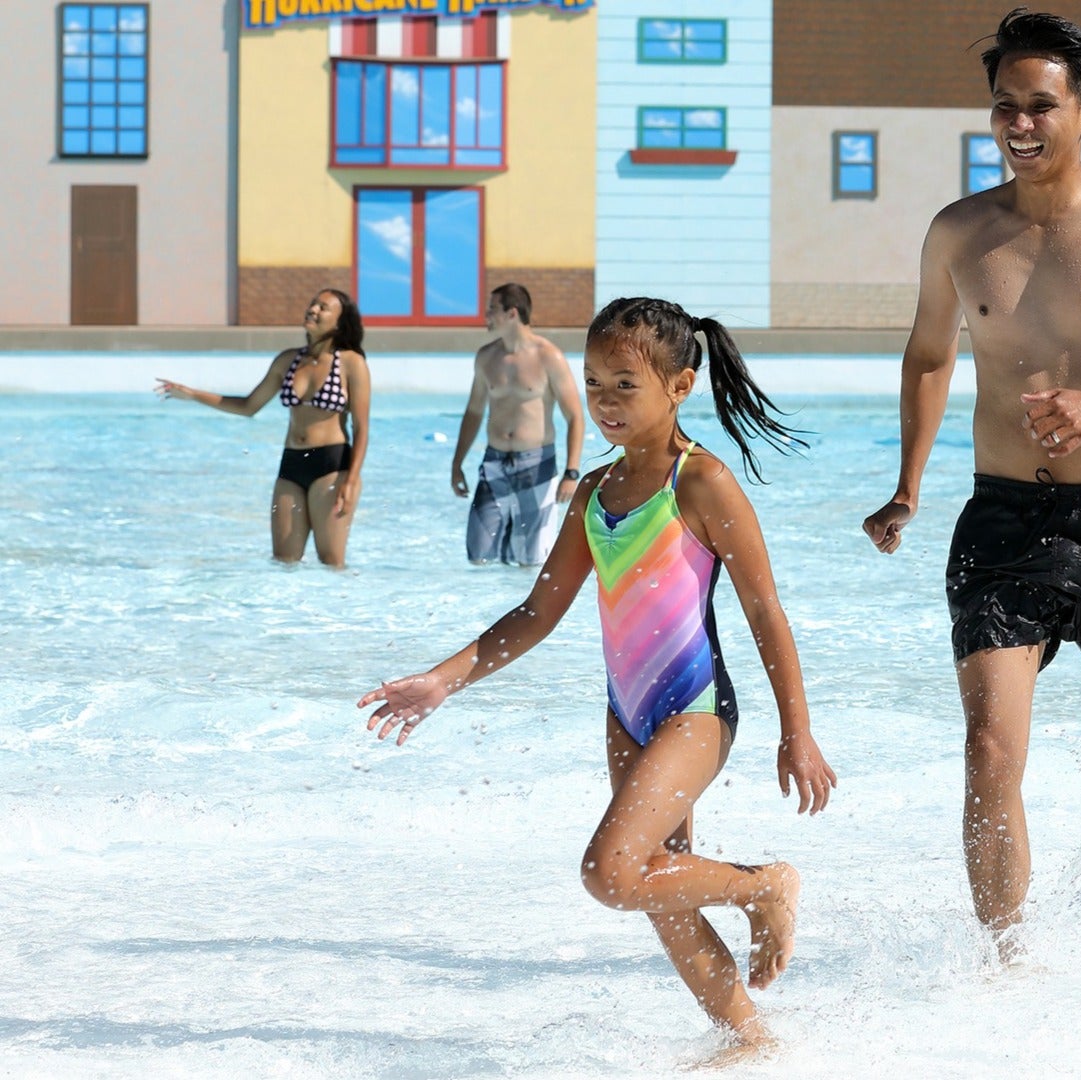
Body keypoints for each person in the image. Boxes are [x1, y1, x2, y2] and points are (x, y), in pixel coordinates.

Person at [359, 297, 836, 1053]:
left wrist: (797, 732)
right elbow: (535, 614)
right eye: (593, 383)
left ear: (680, 386)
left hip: (696, 710)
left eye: (624, 384)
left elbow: (766, 614)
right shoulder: (595, 492)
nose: (605, 402)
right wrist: (443, 679)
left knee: (610, 873)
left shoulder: (700, 483)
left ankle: (762, 885)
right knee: (659, 885)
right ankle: (747, 1037)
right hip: (627, 713)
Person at [860, 9, 1081, 943]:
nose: (1020, 124)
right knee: (988, 751)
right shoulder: (960, 231)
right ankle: (1003, 966)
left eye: (1041, 106)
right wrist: (909, 486)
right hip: (1003, 519)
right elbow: (929, 357)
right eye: (1004, 108)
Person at [156, 289, 371, 569]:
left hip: (332, 466)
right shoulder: (288, 361)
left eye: (323, 307)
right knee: (283, 562)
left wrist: (352, 480)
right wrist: (192, 394)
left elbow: (362, 428)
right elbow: (249, 405)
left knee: (331, 562)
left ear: (340, 323)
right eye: (312, 303)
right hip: (291, 465)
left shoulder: (351, 363)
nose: (313, 309)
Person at [451, 283, 586, 566]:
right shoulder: (487, 357)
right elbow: (474, 412)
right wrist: (457, 463)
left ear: (512, 313)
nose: (486, 315)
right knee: (478, 554)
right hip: (494, 462)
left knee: (531, 561)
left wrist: (571, 473)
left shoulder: (548, 357)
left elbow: (574, 415)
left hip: (536, 464)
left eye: (492, 309)